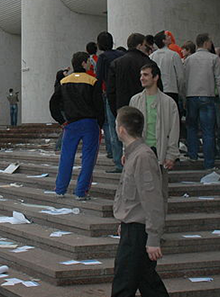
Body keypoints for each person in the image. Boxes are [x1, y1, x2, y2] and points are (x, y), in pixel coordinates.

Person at [109, 106, 174, 297]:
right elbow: (133, 197)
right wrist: (124, 221)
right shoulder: (133, 155)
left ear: (121, 130)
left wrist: (154, 238)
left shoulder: (142, 157)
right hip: (133, 226)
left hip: (139, 231)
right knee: (148, 283)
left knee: (123, 285)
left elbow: (153, 199)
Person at [49, 52, 105, 200]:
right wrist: (100, 123)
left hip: (71, 123)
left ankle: (60, 189)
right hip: (90, 123)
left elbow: (53, 103)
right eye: (88, 61)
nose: (90, 64)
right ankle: (81, 192)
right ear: (83, 63)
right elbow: (99, 106)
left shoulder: (64, 81)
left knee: (66, 156)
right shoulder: (93, 81)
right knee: (88, 158)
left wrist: (61, 120)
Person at [107, 33, 156, 173]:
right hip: (145, 104)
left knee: (122, 136)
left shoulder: (117, 63)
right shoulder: (148, 63)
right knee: (144, 133)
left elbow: (110, 90)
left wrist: (115, 108)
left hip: (122, 105)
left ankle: (120, 163)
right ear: (140, 45)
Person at [129, 63, 180, 195]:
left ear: (156, 77)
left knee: (159, 192)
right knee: (139, 192)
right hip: (140, 151)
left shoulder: (169, 103)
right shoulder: (135, 100)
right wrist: (126, 150)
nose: (142, 78)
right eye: (141, 75)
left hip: (159, 152)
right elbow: (130, 129)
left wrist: (171, 155)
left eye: (145, 75)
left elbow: (174, 130)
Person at [183, 33, 220, 170]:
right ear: (206, 43)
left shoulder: (189, 60)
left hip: (191, 95)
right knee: (208, 131)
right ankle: (209, 163)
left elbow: (184, 80)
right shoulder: (214, 58)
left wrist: (184, 96)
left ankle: (193, 155)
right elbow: (219, 80)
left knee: (191, 127)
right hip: (207, 96)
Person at [95, 31, 124, 161]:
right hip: (123, 93)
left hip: (109, 93)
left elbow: (99, 78)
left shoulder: (103, 58)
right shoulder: (121, 54)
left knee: (111, 126)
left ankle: (116, 158)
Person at [150, 31, 185, 113]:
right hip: (171, 90)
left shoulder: (151, 56)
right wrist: (181, 92)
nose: (170, 37)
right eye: (167, 36)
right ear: (163, 41)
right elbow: (180, 77)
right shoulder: (174, 55)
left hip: (156, 90)